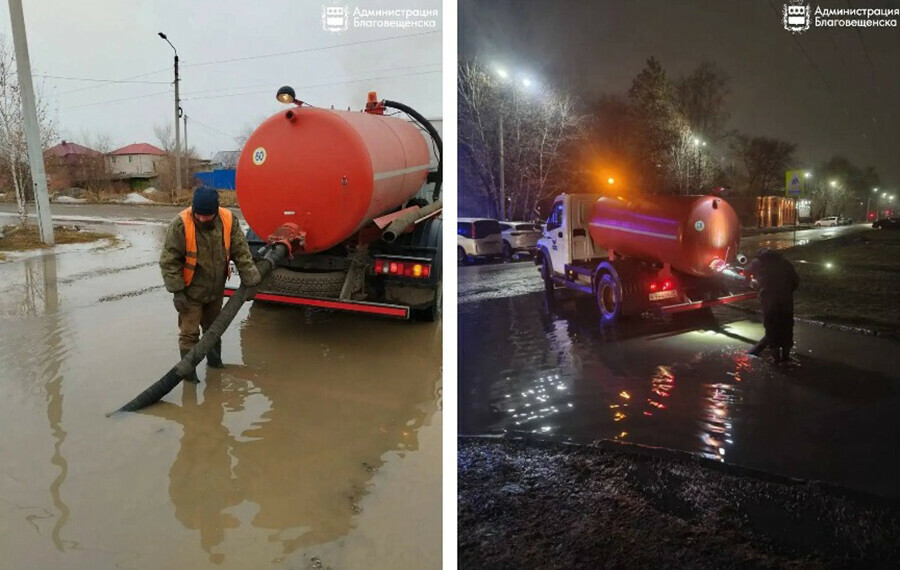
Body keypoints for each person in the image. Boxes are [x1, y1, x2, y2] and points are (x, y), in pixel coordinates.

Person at [160, 187, 261, 381]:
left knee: (214, 329)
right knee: (189, 335)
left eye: (208, 216)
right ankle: (189, 377)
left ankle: (215, 366)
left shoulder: (228, 220)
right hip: (190, 293)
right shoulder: (181, 224)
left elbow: (241, 252)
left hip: (215, 290)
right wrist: (177, 291)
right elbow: (169, 261)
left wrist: (251, 280)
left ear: (216, 211)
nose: (203, 219)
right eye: (199, 215)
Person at [747, 247, 799, 363]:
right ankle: (786, 357)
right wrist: (786, 291)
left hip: (769, 300)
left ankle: (775, 359)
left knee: (771, 327)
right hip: (786, 300)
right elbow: (795, 280)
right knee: (786, 326)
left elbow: (746, 272)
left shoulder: (759, 262)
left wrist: (756, 284)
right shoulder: (785, 262)